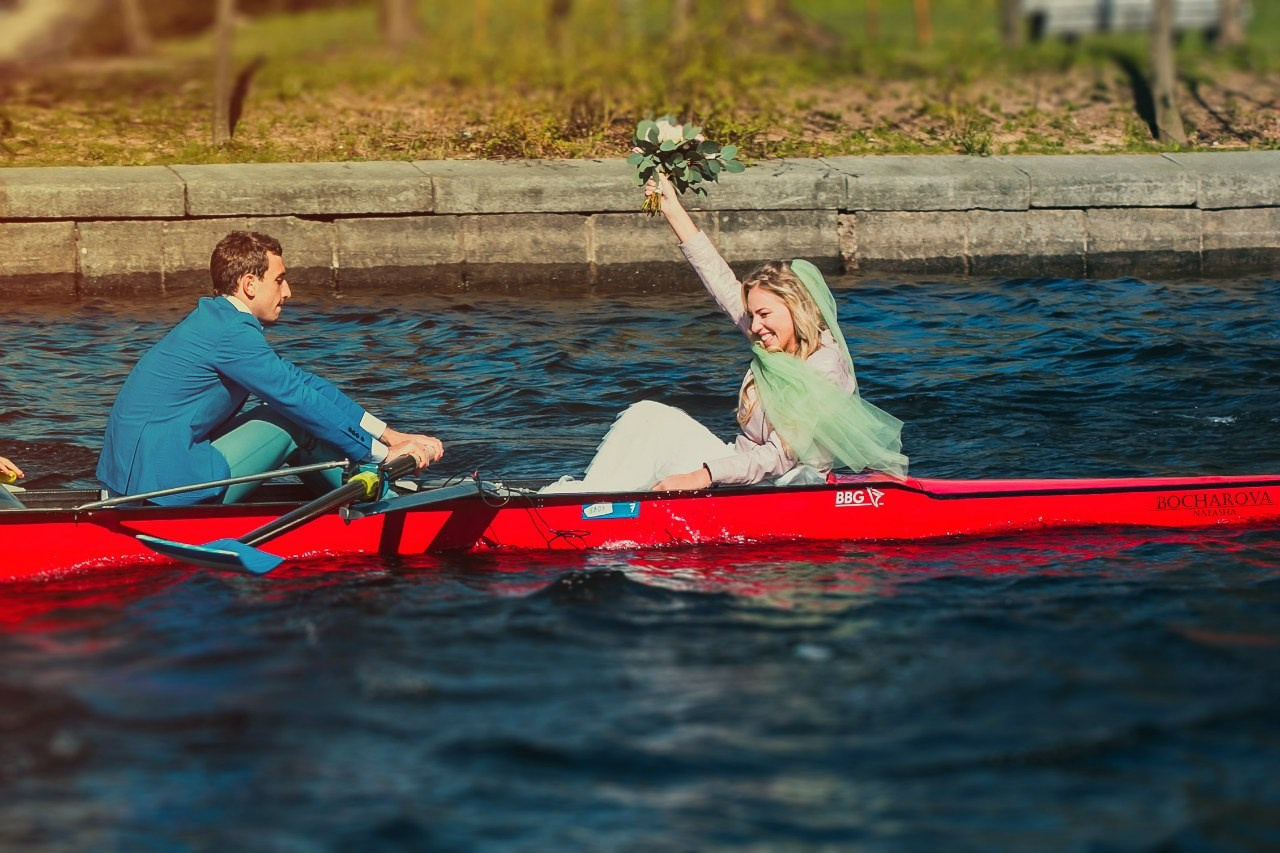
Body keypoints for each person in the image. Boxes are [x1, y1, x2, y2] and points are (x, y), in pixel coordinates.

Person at [542, 175, 907, 493]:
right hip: (743, 472)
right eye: (752, 315)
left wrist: (703, 475)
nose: (756, 327)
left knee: (664, 437)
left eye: (765, 315)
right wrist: (672, 209)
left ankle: (591, 506)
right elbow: (718, 278)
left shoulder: (823, 366)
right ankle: (591, 498)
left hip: (785, 489)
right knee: (647, 415)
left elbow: (782, 455)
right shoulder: (772, 343)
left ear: (797, 309)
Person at [97, 231, 443, 505]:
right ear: (249, 284)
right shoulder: (230, 333)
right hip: (161, 489)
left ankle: (369, 485)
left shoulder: (216, 321)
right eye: (279, 280)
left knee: (294, 406)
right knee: (289, 419)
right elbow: (296, 400)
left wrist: (390, 435)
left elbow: (305, 384)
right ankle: (383, 500)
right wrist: (383, 454)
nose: (288, 292)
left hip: (138, 479)